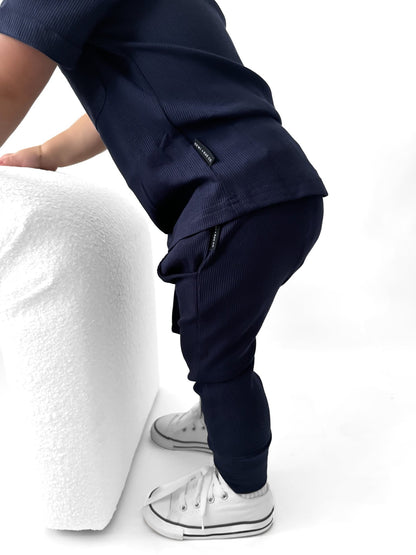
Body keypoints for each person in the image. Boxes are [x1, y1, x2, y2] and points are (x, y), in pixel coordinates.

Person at [0, 0, 328, 540]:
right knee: (219, 321)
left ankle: (243, 491)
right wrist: (44, 153)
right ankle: (218, 417)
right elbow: (127, 103)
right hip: (279, 186)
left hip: (231, 193)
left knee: (215, 346)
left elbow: (7, 87)